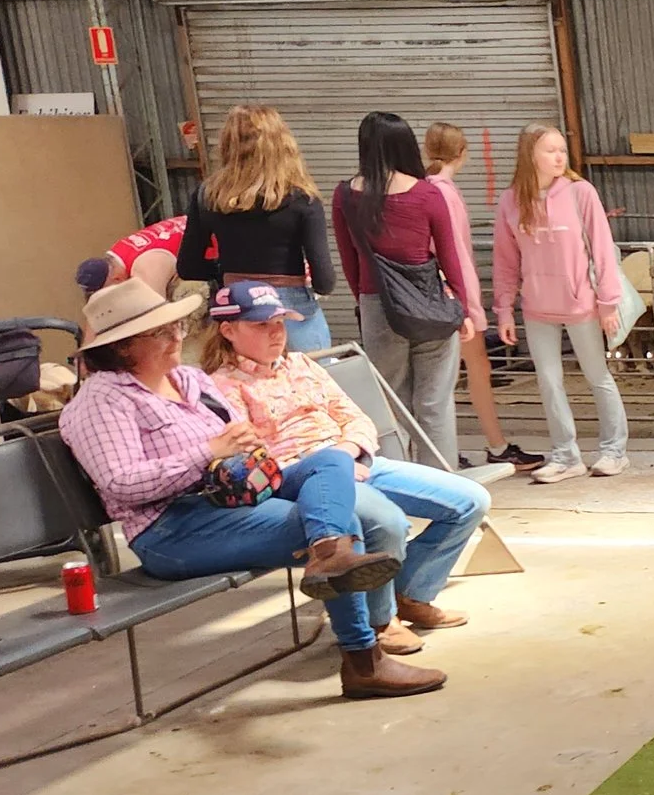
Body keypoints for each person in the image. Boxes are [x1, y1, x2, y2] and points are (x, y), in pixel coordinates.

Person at [57, 281, 441, 699]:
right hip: (173, 527)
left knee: (330, 463)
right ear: (122, 348)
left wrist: (246, 445)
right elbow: (120, 483)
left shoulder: (187, 380)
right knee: (333, 525)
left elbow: (241, 443)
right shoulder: (102, 400)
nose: (177, 338)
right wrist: (207, 453)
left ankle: (333, 554)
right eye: (161, 332)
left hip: (235, 493)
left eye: (178, 327)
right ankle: (363, 658)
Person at [198, 280, 489, 659]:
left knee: (470, 500)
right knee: (387, 523)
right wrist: (332, 468)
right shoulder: (220, 388)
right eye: (261, 325)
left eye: (281, 323)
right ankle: (380, 621)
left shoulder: (302, 364)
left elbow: (355, 417)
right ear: (228, 330)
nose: (276, 333)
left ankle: (411, 592)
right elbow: (254, 457)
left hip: (355, 461)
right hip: (309, 480)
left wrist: (347, 453)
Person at [332, 111, 473, 470]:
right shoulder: (427, 194)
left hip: (378, 305)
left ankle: (402, 484)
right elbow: (450, 256)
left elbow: (350, 260)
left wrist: (367, 301)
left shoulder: (346, 195)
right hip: (431, 306)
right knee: (435, 401)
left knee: (389, 400)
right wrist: (465, 309)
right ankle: (444, 485)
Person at [494, 124, 628, 483]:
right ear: (529, 155)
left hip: (582, 303)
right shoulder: (511, 201)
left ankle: (614, 451)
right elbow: (506, 261)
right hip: (537, 307)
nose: (558, 157)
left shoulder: (580, 192)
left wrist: (608, 302)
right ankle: (565, 455)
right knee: (549, 381)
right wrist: (504, 308)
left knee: (597, 376)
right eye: (549, 150)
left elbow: (602, 248)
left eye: (561, 150)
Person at [423, 123, 541, 472]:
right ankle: (494, 445)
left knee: (445, 376)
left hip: (431, 297)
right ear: (463, 153)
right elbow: (457, 254)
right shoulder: (445, 194)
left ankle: (443, 446)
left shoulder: (424, 188)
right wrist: (472, 306)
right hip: (452, 298)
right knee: (472, 370)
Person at [176, 104, 338, 351]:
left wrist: (226, 271)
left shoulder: (207, 196)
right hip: (293, 313)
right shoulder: (303, 199)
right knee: (313, 382)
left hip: (236, 310)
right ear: (283, 144)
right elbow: (325, 281)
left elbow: (188, 267)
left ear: (228, 145)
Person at [76, 215, 204, 301]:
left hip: (214, 238)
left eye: (109, 293)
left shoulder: (145, 268)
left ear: (117, 278)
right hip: (198, 220)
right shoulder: (118, 251)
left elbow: (157, 317)